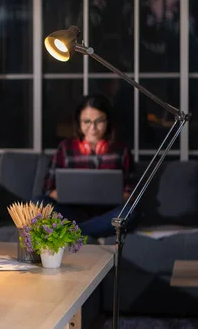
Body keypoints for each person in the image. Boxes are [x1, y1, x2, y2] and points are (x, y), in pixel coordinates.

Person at [42, 94, 134, 239]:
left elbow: (130, 190)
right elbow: (48, 189)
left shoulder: (121, 149)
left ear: (108, 121)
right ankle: (87, 231)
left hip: (108, 214)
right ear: (78, 123)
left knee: (130, 212)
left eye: (99, 121)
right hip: (72, 212)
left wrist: (120, 197)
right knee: (38, 203)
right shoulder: (65, 148)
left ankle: (74, 233)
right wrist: (64, 195)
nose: (93, 128)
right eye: (87, 122)